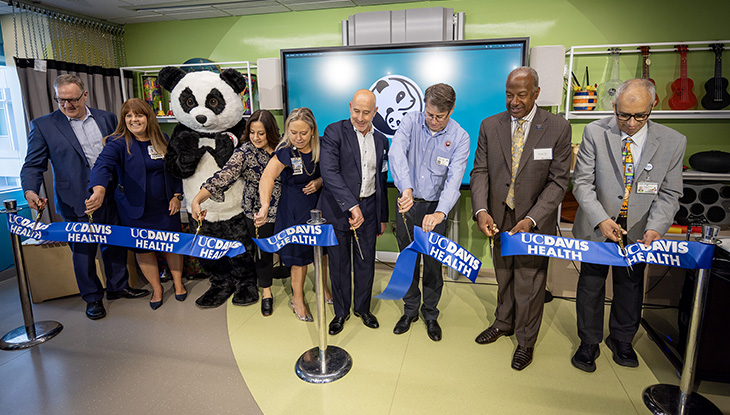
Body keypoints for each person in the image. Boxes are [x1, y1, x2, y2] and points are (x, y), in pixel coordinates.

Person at [571, 78, 686, 372]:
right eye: (623, 115)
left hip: (639, 229)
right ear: (614, 107)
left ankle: (622, 339)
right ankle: (589, 342)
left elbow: (670, 193)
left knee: (630, 286)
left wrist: (656, 227)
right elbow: (582, 183)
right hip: (598, 226)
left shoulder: (673, 141)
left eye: (640, 116)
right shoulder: (595, 132)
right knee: (590, 286)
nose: (631, 122)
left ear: (652, 107)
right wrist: (602, 219)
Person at [20, 74, 148, 320]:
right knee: (83, 251)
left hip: (112, 194)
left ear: (85, 95)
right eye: (61, 100)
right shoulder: (43, 125)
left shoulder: (107, 118)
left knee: (115, 243)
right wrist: (31, 191)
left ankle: (118, 287)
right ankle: (92, 298)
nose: (68, 105)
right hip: (75, 199)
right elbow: (32, 166)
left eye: (73, 99)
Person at [470, 66, 572, 370]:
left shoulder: (557, 127)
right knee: (504, 275)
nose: (514, 101)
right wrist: (481, 210)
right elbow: (481, 171)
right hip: (499, 216)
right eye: (509, 94)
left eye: (522, 95)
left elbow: (558, 182)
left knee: (529, 283)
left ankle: (526, 342)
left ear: (537, 93)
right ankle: (503, 322)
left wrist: (533, 219)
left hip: (534, 220)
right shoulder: (490, 125)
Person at [388, 83, 470, 342]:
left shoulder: (460, 137)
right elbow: (396, 152)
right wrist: (406, 189)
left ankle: (430, 313)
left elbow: (454, 179)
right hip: (408, 200)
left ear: (451, 110)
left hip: (436, 207)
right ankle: (410, 309)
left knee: (434, 264)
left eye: (439, 117)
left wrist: (440, 213)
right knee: (407, 259)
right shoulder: (411, 122)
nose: (433, 121)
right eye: (429, 114)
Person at [86, 98, 184, 310]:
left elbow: (174, 170)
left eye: (138, 115)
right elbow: (102, 166)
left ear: (148, 117)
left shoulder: (162, 139)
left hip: (166, 206)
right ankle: (157, 289)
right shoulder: (118, 143)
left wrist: (177, 195)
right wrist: (99, 189)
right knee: (143, 248)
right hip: (134, 209)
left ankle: (178, 285)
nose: (133, 119)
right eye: (128, 116)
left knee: (172, 245)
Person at [191, 110, 282, 316]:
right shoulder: (244, 153)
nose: (256, 138)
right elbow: (223, 176)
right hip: (258, 210)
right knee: (263, 252)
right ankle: (266, 292)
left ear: (271, 132)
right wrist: (198, 199)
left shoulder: (282, 148)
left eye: (261, 133)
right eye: (252, 132)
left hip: (286, 206)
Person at [319, 90, 389, 335]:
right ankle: (341, 312)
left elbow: (382, 178)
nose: (360, 117)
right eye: (356, 111)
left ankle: (363, 308)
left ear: (375, 112)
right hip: (339, 210)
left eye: (366, 112)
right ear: (350, 107)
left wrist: (382, 216)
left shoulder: (381, 140)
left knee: (365, 262)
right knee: (339, 264)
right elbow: (329, 173)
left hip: (369, 209)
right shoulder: (333, 132)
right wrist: (351, 205)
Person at [255, 107, 329, 322]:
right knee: (299, 257)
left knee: (321, 252)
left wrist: (319, 181)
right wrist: (265, 205)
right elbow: (267, 177)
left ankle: (323, 287)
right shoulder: (286, 151)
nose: (298, 138)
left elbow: (332, 173)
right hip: (294, 208)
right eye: (293, 132)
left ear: (313, 131)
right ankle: (297, 299)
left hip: (318, 206)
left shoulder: (322, 146)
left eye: (303, 133)